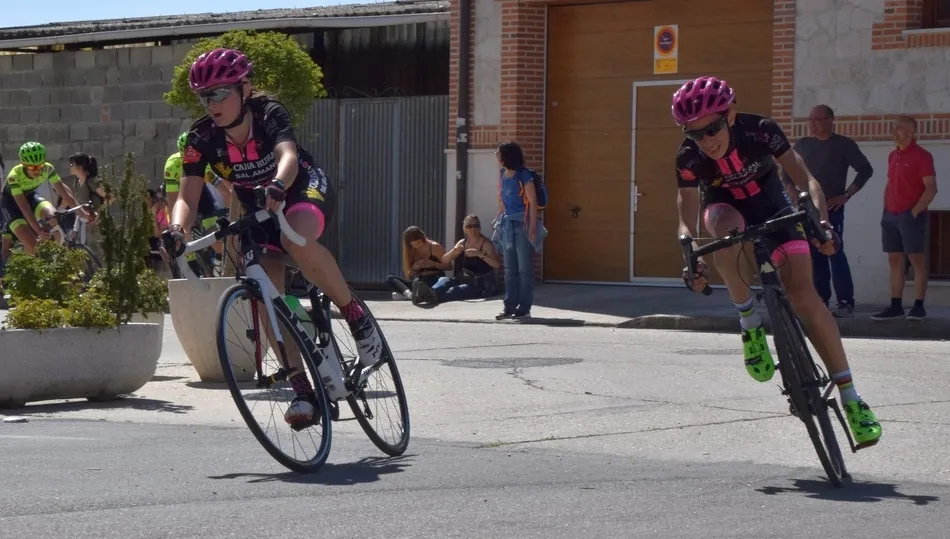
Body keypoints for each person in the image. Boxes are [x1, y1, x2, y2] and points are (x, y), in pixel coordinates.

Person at [165, 48, 383, 427]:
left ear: (244, 88)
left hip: (298, 189)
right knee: (266, 290)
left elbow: (288, 156)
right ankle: (302, 387)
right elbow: (187, 194)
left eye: (220, 93)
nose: (211, 103)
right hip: (256, 206)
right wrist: (177, 230)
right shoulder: (200, 137)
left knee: (296, 239)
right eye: (205, 96)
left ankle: (355, 314)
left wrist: (279, 185)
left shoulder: (268, 113)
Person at [672, 76, 881, 447]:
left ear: (730, 114)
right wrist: (687, 249)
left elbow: (805, 180)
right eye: (695, 134)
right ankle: (750, 322)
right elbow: (687, 211)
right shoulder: (689, 158)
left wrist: (821, 224)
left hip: (775, 207)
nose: (707, 140)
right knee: (727, 229)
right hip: (726, 210)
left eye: (713, 128)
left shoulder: (762, 131)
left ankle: (852, 399)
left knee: (806, 300)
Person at [792, 105, 874, 317]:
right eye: (811, 120)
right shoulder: (802, 145)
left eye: (818, 120)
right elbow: (786, 173)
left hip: (831, 208)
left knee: (834, 251)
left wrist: (846, 195)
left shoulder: (844, 145)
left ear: (830, 120)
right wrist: (792, 194)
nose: (813, 124)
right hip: (805, 209)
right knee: (814, 254)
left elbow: (865, 170)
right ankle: (821, 301)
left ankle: (846, 302)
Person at [872, 115, 937, 321]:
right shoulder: (893, 155)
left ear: (911, 133)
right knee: (894, 260)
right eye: (893, 128)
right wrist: (885, 209)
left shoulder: (922, 156)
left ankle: (918, 306)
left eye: (899, 129)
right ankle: (895, 306)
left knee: (916, 260)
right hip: (890, 215)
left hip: (911, 216)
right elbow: (890, 183)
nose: (894, 132)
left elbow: (931, 188)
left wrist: (914, 212)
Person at [0, 142, 89, 254]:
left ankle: (51, 256)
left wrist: (81, 211)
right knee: (32, 243)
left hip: (30, 196)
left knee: (53, 215)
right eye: (33, 167)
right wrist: (38, 230)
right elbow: (25, 208)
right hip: (11, 204)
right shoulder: (15, 176)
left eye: (40, 166)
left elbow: (65, 194)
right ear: (24, 164)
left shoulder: (48, 169)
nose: (37, 170)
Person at [493, 141, 542, 320]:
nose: (496, 157)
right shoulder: (502, 174)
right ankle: (509, 306)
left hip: (522, 224)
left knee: (524, 268)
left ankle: (524, 307)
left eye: (498, 153)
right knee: (509, 269)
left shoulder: (524, 175)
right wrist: (497, 217)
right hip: (506, 225)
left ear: (507, 156)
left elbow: (533, 201)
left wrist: (533, 226)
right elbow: (502, 199)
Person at [413, 214, 500, 305]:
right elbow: (444, 260)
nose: (473, 229)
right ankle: (426, 294)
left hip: (480, 284)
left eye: (476, 226)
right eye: (469, 226)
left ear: (479, 228)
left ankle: (430, 296)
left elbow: (496, 264)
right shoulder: (463, 242)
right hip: (464, 278)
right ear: (464, 228)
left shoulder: (486, 244)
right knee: (445, 281)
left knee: (455, 291)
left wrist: (480, 254)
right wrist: (454, 252)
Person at [385, 225, 451, 303]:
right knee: (390, 279)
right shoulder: (411, 250)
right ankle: (409, 294)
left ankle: (412, 294)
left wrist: (433, 264)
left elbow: (449, 266)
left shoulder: (434, 246)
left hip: (434, 278)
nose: (416, 246)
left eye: (418, 243)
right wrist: (414, 268)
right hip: (420, 279)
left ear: (422, 237)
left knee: (418, 282)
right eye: (413, 245)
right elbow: (410, 274)